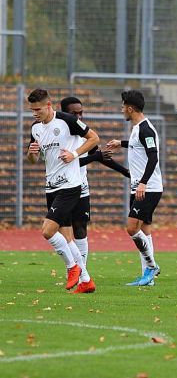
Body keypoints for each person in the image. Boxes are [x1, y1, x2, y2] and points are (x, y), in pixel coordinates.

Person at [26, 88, 97, 293]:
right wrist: (32, 154)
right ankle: (86, 280)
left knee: (47, 231)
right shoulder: (36, 128)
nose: (35, 113)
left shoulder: (67, 121)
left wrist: (74, 154)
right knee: (66, 237)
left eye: (38, 109)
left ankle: (72, 268)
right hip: (51, 187)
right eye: (32, 110)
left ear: (49, 105)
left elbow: (94, 138)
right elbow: (33, 160)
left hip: (70, 185)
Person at [60, 96, 130, 266]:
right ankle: (72, 268)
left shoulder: (85, 134)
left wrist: (126, 172)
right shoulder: (58, 135)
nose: (79, 117)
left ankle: (82, 271)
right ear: (64, 114)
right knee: (63, 232)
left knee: (81, 228)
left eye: (81, 113)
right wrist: (96, 156)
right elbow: (67, 162)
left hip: (81, 188)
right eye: (74, 113)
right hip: (60, 189)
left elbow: (100, 157)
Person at [106, 90, 162, 286]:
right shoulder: (138, 128)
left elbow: (153, 156)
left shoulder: (146, 129)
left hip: (148, 188)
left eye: (123, 107)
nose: (122, 110)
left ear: (130, 108)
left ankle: (152, 266)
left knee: (131, 228)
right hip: (140, 187)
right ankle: (147, 277)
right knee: (144, 230)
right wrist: (120, 143)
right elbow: (138, 146)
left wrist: (144, 183)